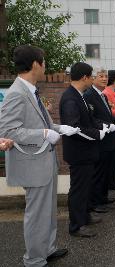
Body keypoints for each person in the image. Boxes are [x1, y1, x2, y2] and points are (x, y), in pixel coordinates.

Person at [0, 45, 77, 266]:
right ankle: (34, 259)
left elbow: (43, 123)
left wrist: (60, 128)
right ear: (35, 64)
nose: (45, 66)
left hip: (43, 162)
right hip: (33, 165)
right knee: (37, 214)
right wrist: (44, 133)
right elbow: (9, 131)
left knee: (48, 211)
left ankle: (47, 249)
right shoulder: (17, 93)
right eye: (43, 62)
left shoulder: (31, 90)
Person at [60, 62, 108, 237]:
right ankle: (76, 225)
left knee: (86, 187)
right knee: (79, 190)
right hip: (79, 153)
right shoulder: (70, 98)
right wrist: (97, 134)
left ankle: (85, 216)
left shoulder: (79, 95)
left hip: (86, 152)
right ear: (84, 78)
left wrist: (103, 127)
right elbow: (74, 127)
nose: (94, 79)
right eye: (92, 76)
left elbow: (88, 120)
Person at [84, 67, 115, 214]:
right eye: (100, 76)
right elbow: (91, 118)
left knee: (105, 170)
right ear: (93, 78)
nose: (104, 78)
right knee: (98, 173)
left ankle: (103, 197)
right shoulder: (89, 95)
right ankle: (95, 202)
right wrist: (106, 125)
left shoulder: (103, 95)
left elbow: (107, 114)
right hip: (99, 139)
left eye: (105, 76)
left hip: (108, 138)